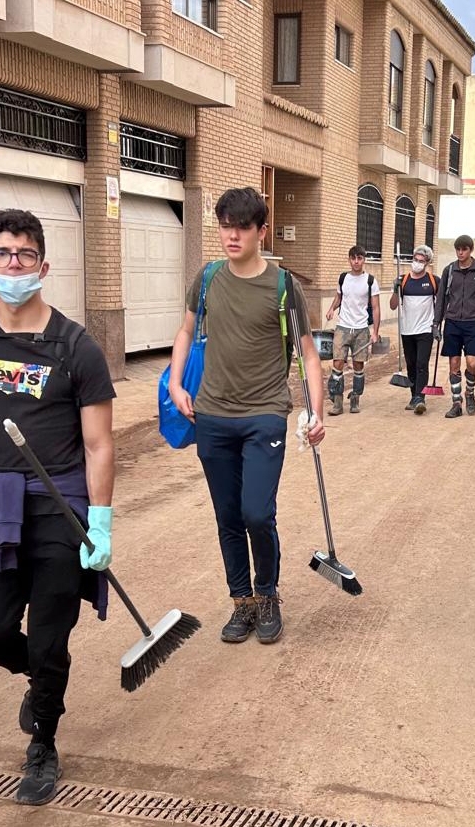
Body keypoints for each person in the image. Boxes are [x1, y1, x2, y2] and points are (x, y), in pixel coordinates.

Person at [0, 209, 116, 806]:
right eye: (3, 255)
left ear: (43, 266)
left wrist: (101, 521)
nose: (14, 265)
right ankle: (38, 679)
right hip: (2, 504)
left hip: (62, 505)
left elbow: (99, 443)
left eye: (24, 255)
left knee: (51, 635)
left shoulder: (76, 346)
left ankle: (44, 743)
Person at [167, 187, 325, 646]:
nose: (231, 235)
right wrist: (177, 384)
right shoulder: (208, 278)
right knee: (228, 515)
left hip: (265, 416)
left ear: (261, 231)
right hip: (212, 416)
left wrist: (316, 410)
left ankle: (268, 593)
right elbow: (184, 330)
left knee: (257, 511)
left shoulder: (282, 286)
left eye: (241, 227)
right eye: (225, 226)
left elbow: (308, 355)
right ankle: (242, 602)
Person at [432, 234, 475, 418]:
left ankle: (470, 392)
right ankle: (456, 402)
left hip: (473, 322)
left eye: (464, 249)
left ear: (471, 250)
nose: (460, 253)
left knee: (472, 363)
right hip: (452, 322)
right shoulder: (449, 271)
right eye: (458, 249)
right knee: (453, 363)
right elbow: (441, 299)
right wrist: (436, 323)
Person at [324, 245, 380, 415]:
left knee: (358, 364)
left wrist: (375, 332)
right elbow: (339, 296)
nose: (356, 262)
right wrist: (332, 308)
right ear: (349, 259)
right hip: (343, 326)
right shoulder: (343, 278)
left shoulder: (370, 281)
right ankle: (337, 402)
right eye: (353, 258)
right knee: (338, 362)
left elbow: (376, 307)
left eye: (359, 258)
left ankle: (355, 397)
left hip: (361, 328)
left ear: (364, 260)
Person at [389, 244, 438, 414]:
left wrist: (437, 324)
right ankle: (413, 395)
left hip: (426, 329)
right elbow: (393, 306)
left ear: (427, 263)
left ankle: (420, 397)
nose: (417, 263)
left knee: (421, 363)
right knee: (411, 363)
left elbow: (441, 304)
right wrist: (396, 290)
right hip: (407, 329)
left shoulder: (433, 281)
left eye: (421, 261)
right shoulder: (403, 280)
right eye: (415, 260)